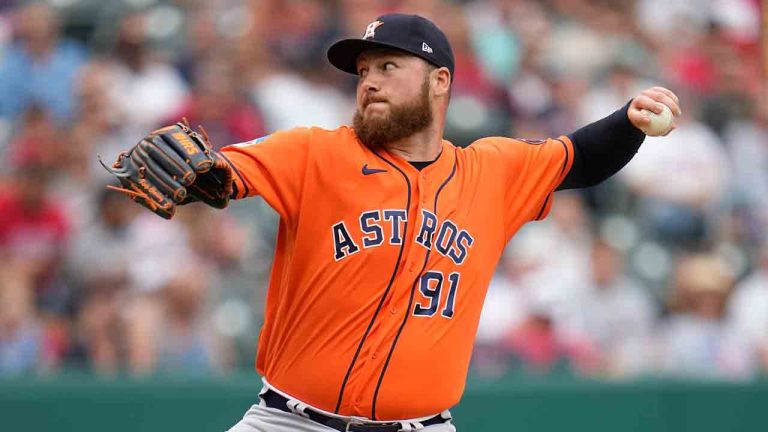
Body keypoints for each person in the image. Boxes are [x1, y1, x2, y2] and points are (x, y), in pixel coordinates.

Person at [101, 13, 681, 432]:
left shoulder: (492, 171)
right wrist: (212, 176)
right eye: (362, 71)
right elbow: (225, 170)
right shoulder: (315, 153)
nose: (369, 81)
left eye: (387, 66)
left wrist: (629, 121)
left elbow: (579, 158)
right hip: (291, 423)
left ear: (440, 81)